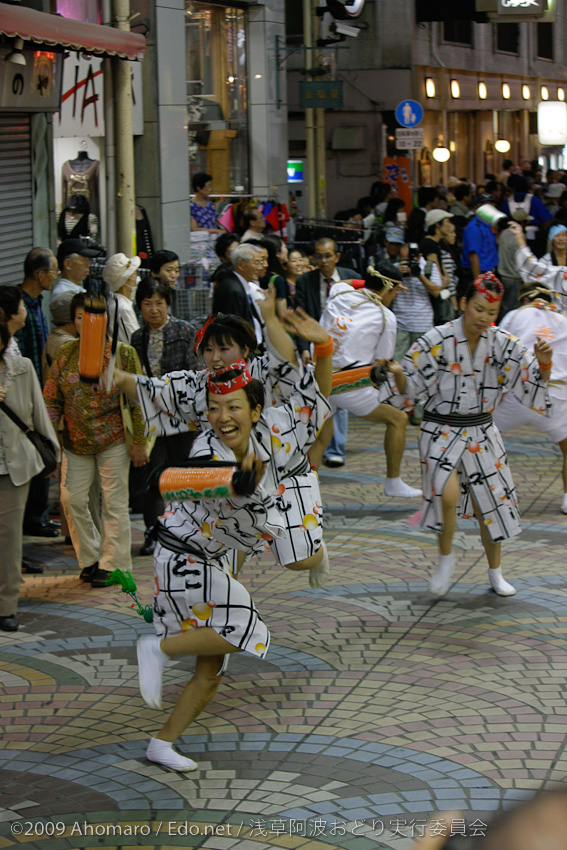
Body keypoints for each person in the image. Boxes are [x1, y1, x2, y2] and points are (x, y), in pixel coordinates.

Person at [133, 335, 332, 771]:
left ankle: (162, 743)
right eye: (215, 409)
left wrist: (327, 351)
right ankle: (159, 649)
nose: (222, 418)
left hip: (211, 561)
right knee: (244, 627)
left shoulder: (273, 432)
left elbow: (315, 405)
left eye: (234, 407)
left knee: (212, 668)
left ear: (256, 411)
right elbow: (203, 481)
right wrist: (237, 481)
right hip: (183, 560)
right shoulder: (208, 451)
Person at [376, 272, 552, 597]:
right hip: (439, 427)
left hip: (482, 428)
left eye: (491, 311)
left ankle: (495, 572)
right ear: (462, 304)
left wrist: (543, 366)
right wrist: (399, 375)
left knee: (491, 505)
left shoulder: (503, 343)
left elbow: (530, 386)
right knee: (446, 493)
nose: (484, 317)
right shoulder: (434, 340)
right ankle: (445, 558)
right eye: (478, 309)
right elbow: (409, 389)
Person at [43, 294, 149, 587]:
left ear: (105, 321)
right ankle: (89, 558)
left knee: (114, 503)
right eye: (79, 317)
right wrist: (50, 441)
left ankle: (113, 565)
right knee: (71, 499)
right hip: (75, 441)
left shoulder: (123, 354)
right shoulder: (65, 354)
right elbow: (51, 399)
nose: (86, 323)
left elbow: (137, 401)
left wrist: (138, 441)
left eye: (93, 317)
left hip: (114, 438)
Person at [313, 262, 422, 499]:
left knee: (322, 436)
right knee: (398, 419)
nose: (395, 297)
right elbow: (381, 363)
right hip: (345, 381)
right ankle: (393, 482)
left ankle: (303, 486)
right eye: (395, 291)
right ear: (387, 289)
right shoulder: (386, 317)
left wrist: (377, 284)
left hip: (315, 376)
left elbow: (344, 282)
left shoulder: (339, 292)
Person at [131, 277, 200, 554]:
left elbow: (194, 372)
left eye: (159, 303)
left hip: (182, 417)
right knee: (154, 475)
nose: (154, 309)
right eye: (147, 304)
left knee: (182, 472)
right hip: (152, 418)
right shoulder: (138, 337)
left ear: (167, 304)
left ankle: (186, 529)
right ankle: (154, 532)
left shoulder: (185, 331)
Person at [0, 311, 60, 632]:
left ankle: (6, 604)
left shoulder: (22, 370)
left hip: (14, 467)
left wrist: (52, 454)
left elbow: (39, 413)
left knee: (9, 537)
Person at [495, 282, 567, 514]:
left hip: (519, 392)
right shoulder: (563, 320)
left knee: (480, 437)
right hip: (555, 394)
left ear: (523, 300)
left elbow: (498, 350)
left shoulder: (514, 315)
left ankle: (477, 492)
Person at [295, 238, 353, 468]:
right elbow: (299, 316)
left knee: (339, 393)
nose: (323, 261)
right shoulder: (305, 282)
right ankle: (317, 442)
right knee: (319, 394)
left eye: (327, 256)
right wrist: (302, 348)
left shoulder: (351, 277)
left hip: (343, 347)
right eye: (318, 256)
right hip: (315, 347)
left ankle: (336, 448)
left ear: (336, 257)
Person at [16, 248, 62, 538]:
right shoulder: (18, 307)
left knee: (42, 448)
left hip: (40, 390)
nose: (56, 276)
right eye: (54, 270)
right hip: (23, 393)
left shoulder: (36, 304)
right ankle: (32, 517)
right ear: (39, 274)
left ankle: (37, 515)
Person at [392, 245, 446, 361]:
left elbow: (436, 292)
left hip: (423, 325)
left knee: (423, 363)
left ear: (419, 256)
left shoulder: (429, 267)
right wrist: (397, 274)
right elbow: (386, 291)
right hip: (400, 325)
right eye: (403, 259)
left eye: (409, 259)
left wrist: (419, 275)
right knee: (398, 363)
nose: (406, 263)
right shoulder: (395, 268)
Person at [212, 243, 266, 346]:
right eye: (256, 262)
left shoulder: (239, 285)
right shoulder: (233, 290)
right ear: (240, 264)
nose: (260, 267)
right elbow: (232, 329)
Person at [512, 221, 567, 314]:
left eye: (564, 235)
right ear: (551, 240)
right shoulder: (545, 261)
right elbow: (533, 269)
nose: (561, 239)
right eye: (557, 236)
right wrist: (520, 239)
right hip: (553, 308)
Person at [103, 253, 141, 344]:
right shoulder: (123, 308)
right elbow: (136, 340)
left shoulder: (113, 302)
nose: (136, 277)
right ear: (124, 281)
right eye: (134, 274)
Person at [0, 286, 27, 355]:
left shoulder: (12, 341)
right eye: (23, 306)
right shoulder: (3, 346)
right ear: (12, 315)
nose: (25, 310)